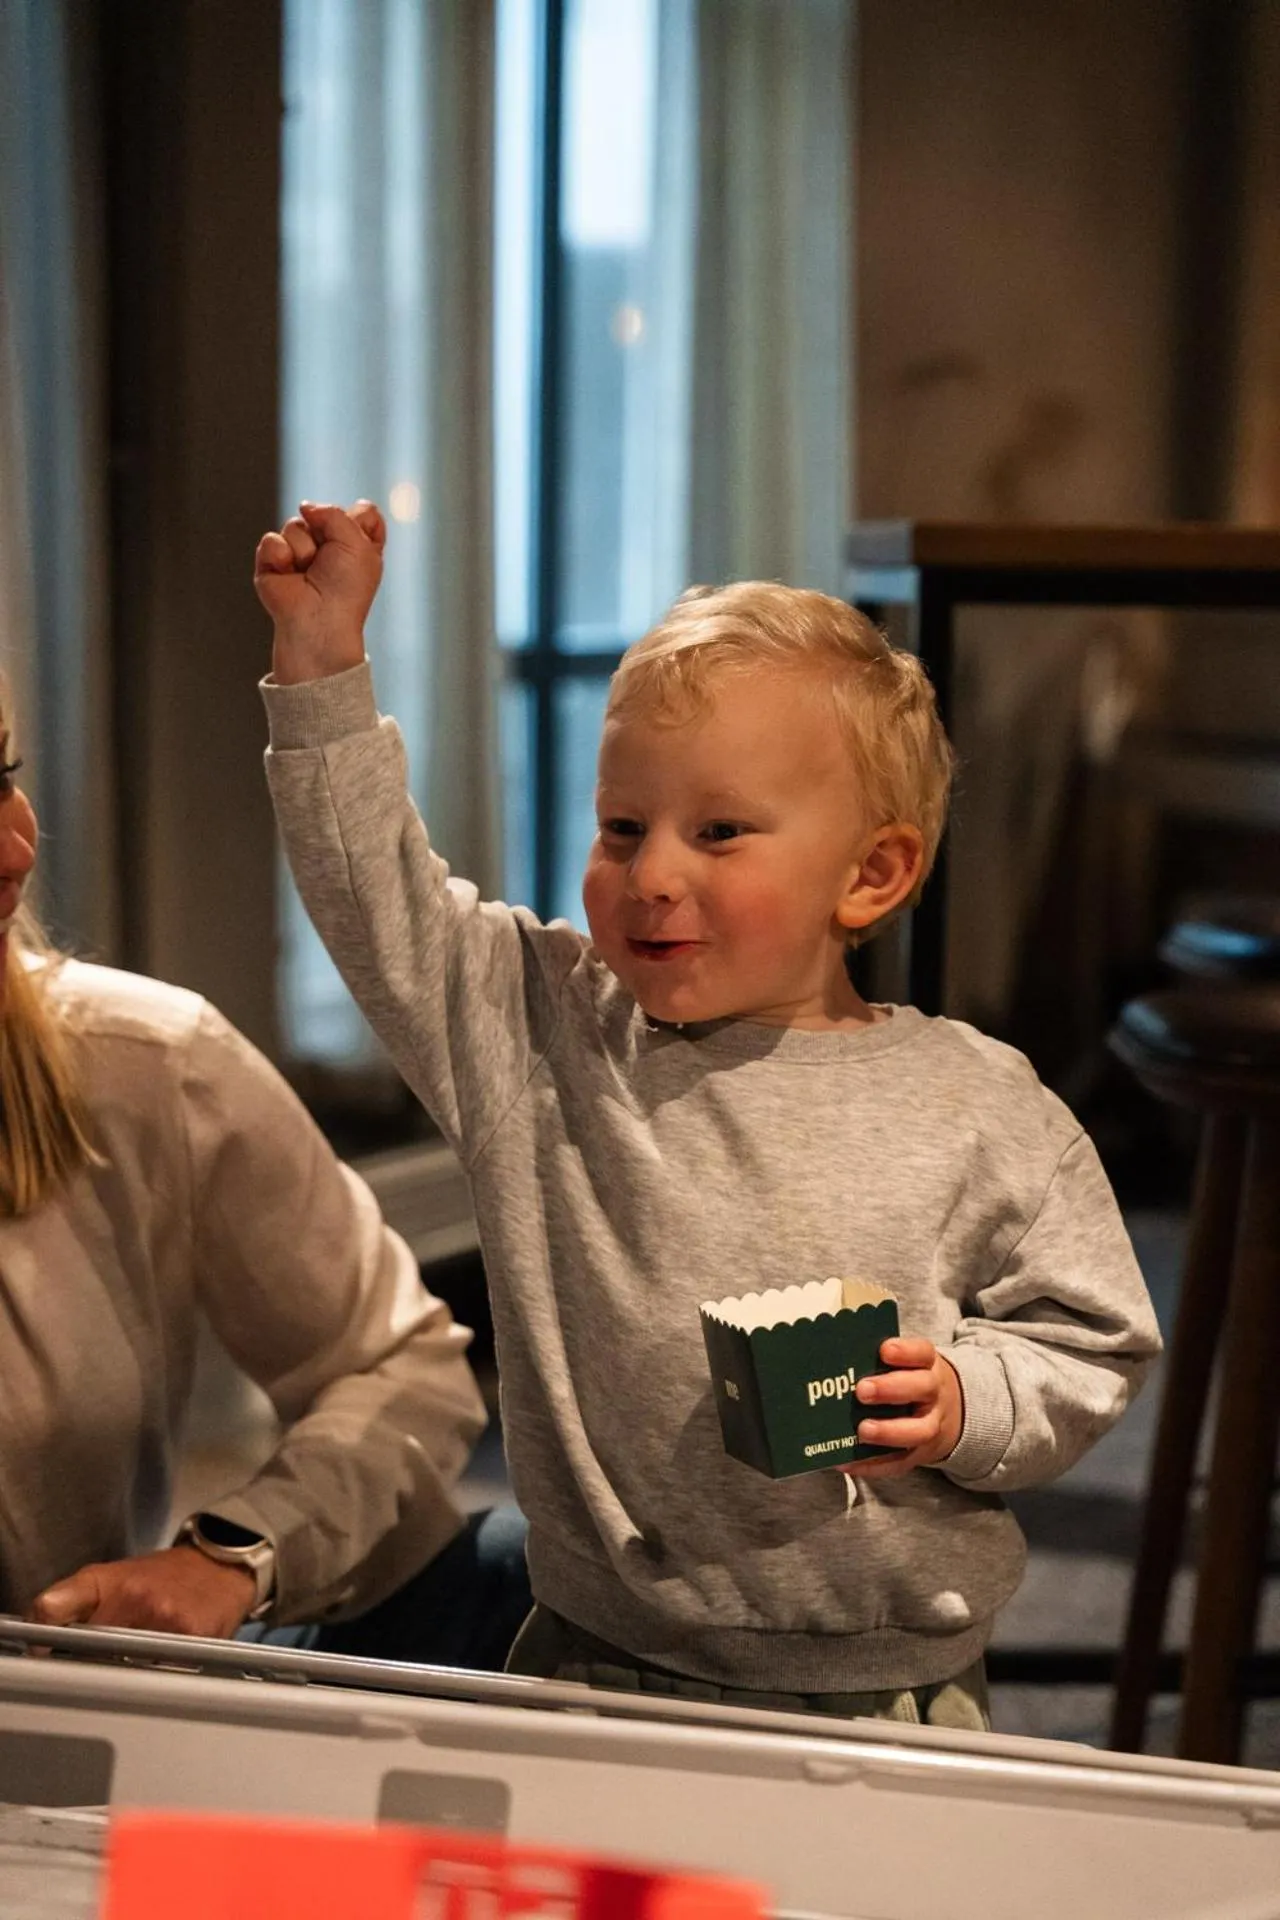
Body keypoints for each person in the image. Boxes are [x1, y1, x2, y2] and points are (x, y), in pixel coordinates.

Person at [254, 498, 1161, 1727]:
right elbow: (377, 902)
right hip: (593, 1659)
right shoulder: (540, 1039)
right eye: (621, 827)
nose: (651, 873)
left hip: (887, 1678)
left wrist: (963, 1400)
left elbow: (1090, 1337)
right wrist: (320, 670)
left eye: (718, 832)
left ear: (871, 873)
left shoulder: (977, 1102)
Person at [0, 707, 529, 1666]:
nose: (17, 843)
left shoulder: (145, 1062)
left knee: (524, 1574)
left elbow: (401, 1368)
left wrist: (236, 1554)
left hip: (79, 1722)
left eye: (4, 774)